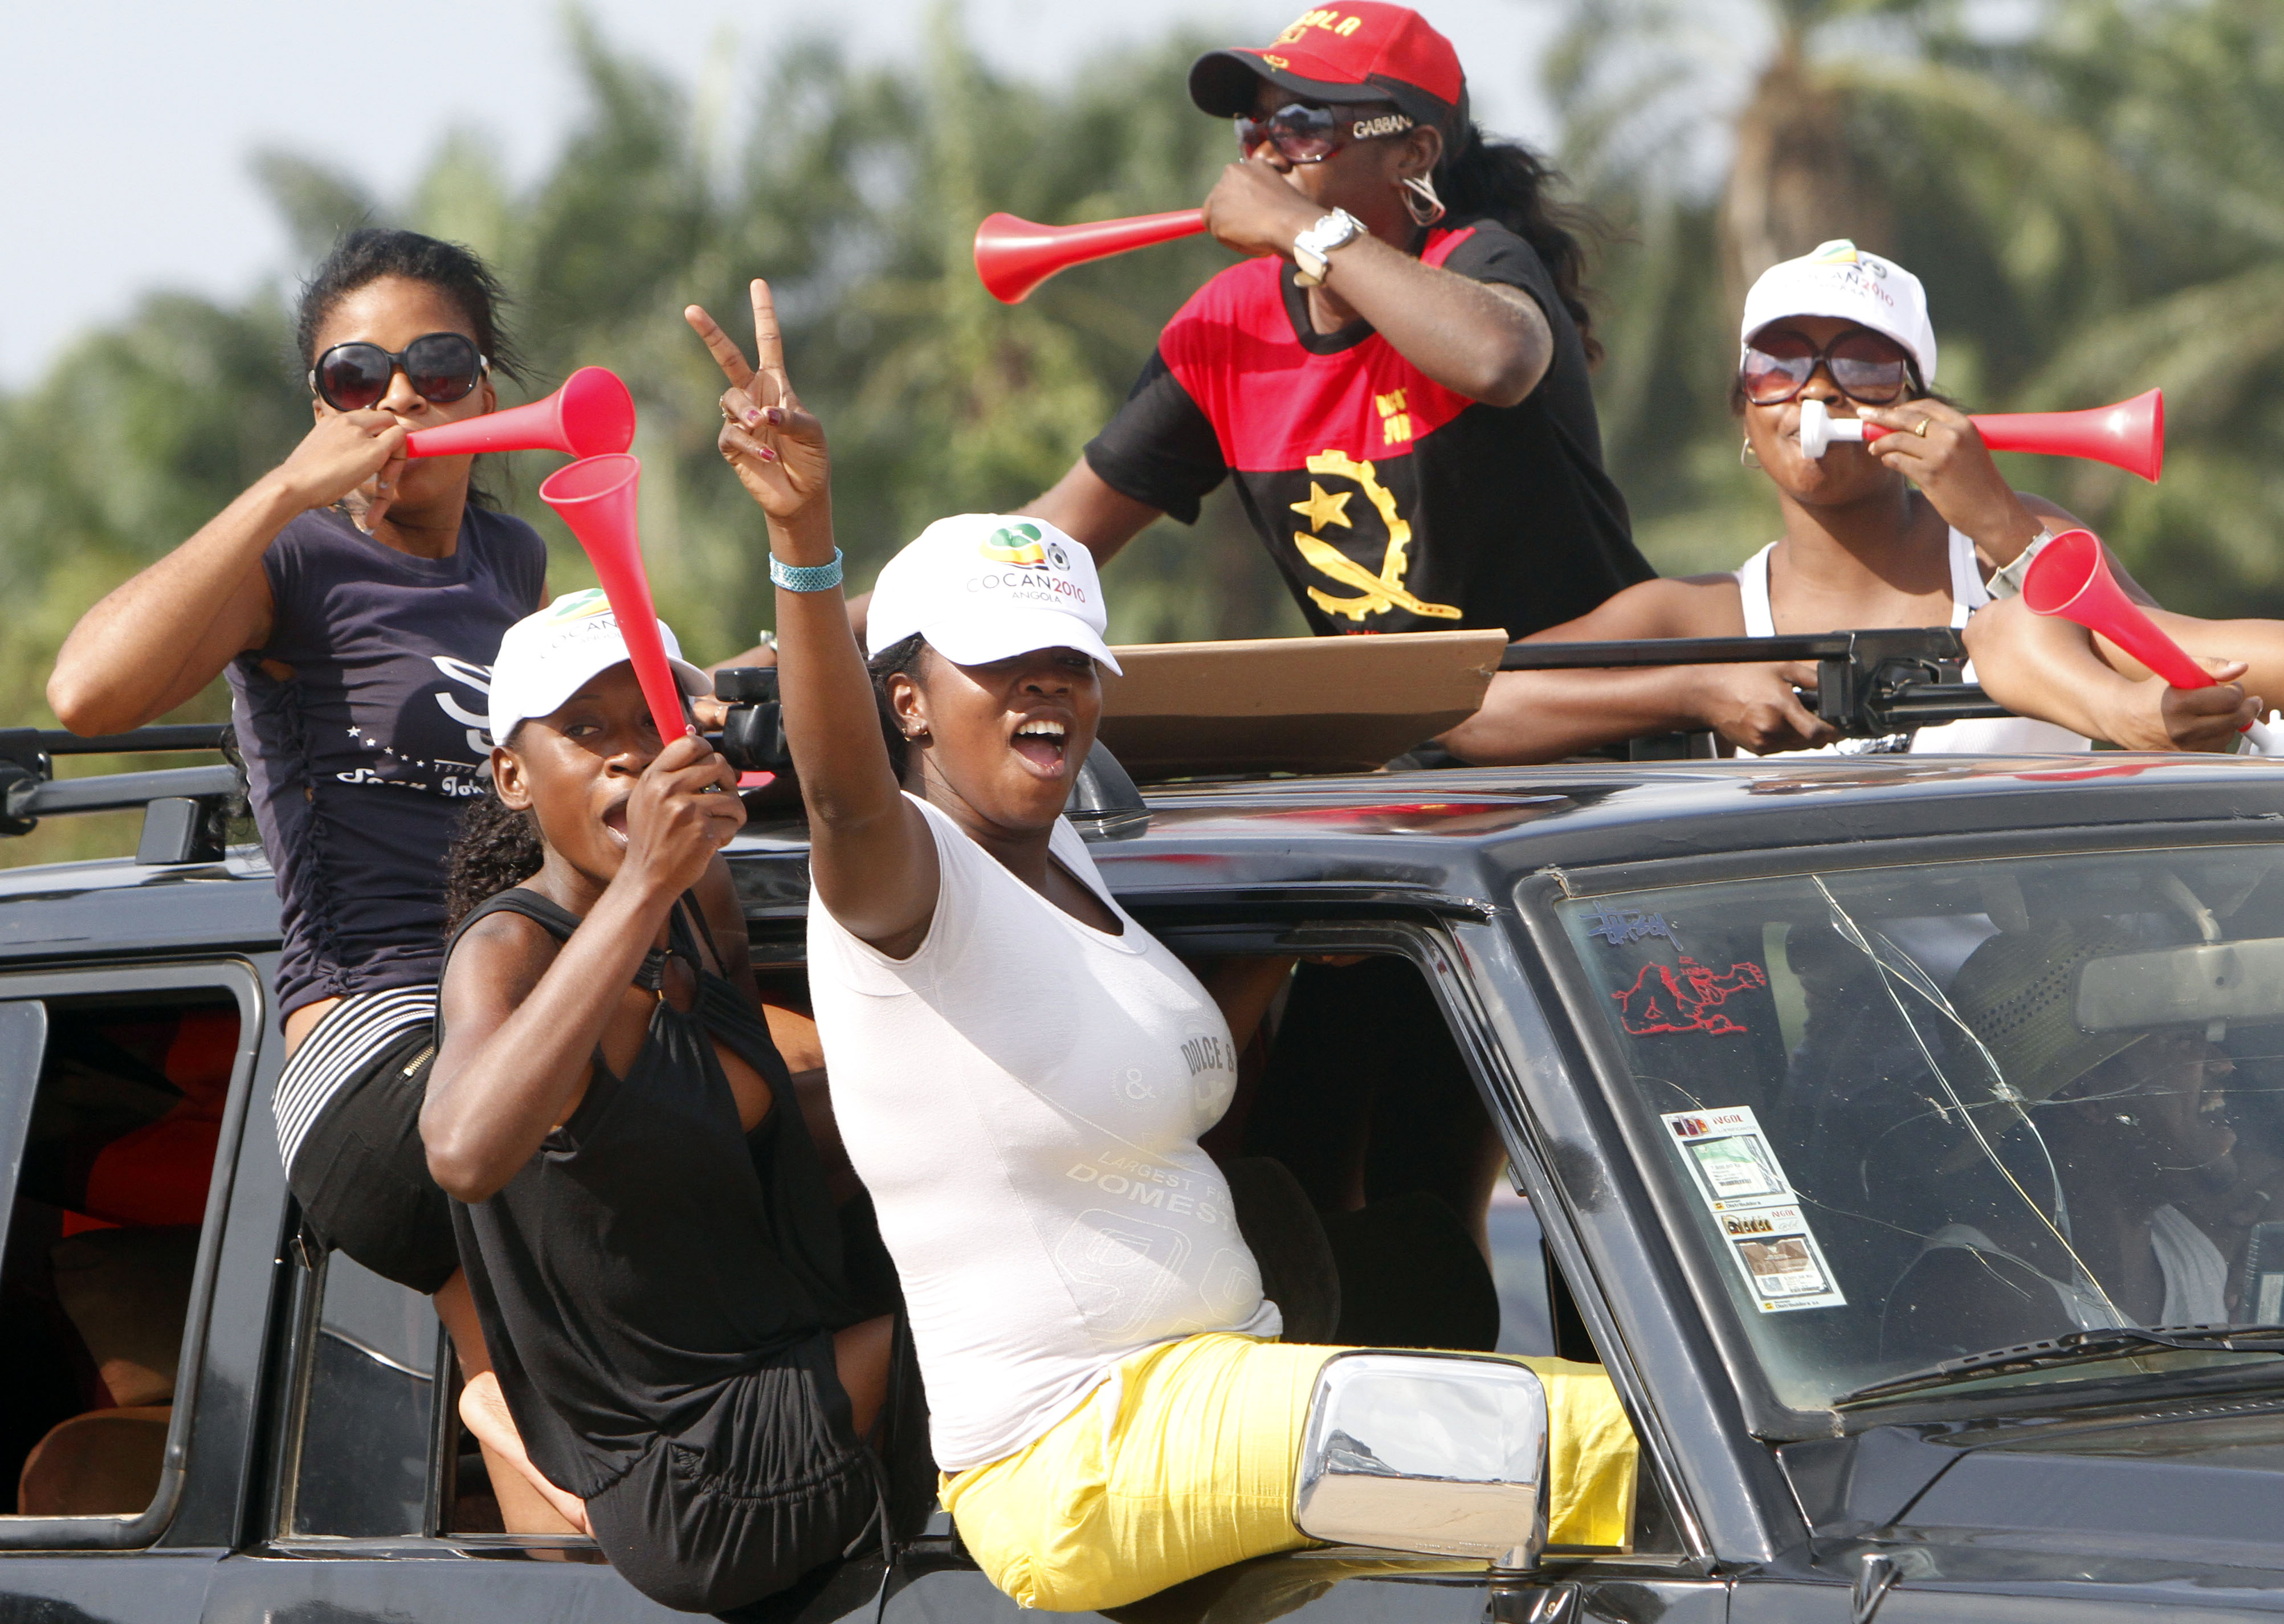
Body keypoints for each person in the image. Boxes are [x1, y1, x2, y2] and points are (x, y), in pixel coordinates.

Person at [686, 277, 1637, 1613]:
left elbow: (1147, 1057)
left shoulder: (1074, 860)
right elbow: (843, 793)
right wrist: (802, 541)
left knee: (1633, 1438)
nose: (1046, 686)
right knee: (1611, 1447)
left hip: (1225, 1410)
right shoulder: (904, 881)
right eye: (1002, 660)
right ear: (903, 698)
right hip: (1074, 1455)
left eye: (1068, 661)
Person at [45, 229, 566, 1525]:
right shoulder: (290, 564)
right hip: (380, 1010)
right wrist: (284, 491)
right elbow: (86, 690)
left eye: (437, 364)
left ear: (487, 392)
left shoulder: (511, 567)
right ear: (319, 407)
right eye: (356, 374)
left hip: (511, 980)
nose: (399, 397)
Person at [421, 591, 925, 1613]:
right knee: (1003, 1331)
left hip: (786, 1363)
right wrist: (643, 882)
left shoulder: (700, 906)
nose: (626, 756)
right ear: (513, 778)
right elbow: (464, 1152)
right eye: (584, 731)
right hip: (691, 1472)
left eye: (649, 722)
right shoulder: (508, 952)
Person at [1442, 239, 2267, 763]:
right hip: (1842, 1018)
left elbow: (2185, 652)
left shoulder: (2011, 543)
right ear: (1746, 412)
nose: (1822, 390)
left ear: (1920, 402)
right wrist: (1690, 690)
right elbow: (1464, 711)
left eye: (1865, 364)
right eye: (1781, 363)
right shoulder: (1699, 618)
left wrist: (1997, 520)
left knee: (2022, 627)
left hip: (2043, 969)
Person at [1018, 2, 1649, 663]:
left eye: (1301, 126)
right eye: (1254, 127)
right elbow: (1062, 533)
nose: (1265, 154)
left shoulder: (1477, 262)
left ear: (1414, 152)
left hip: (1590, 740)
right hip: (1407, 752)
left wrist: (1299, 227)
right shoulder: (1226, 325)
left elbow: (1499, 362)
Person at [1884, 921, 2240, 1357]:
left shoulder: (2188, 1245)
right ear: (2089, 1095)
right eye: (2184, 1042)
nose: (2222, 1065)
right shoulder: (1982, 1290)